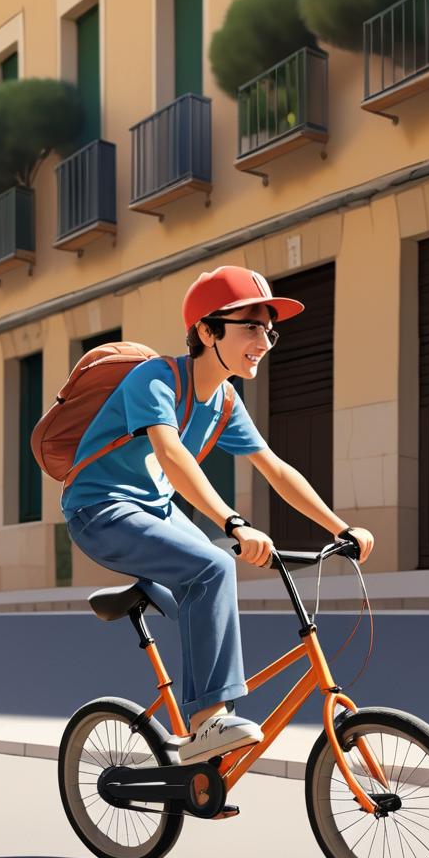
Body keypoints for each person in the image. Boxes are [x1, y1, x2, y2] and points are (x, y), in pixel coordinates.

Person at [62, 266, 374, 763]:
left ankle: (201, 753)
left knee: (206, 584)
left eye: (270, 329)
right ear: (207, 331)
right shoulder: (157, 378)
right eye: (250, 326)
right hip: (99, 508)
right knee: (213, 566)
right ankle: (208, 725)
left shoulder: (224, 399)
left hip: (155, 510)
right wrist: (232, 521)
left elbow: (274, 467)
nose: (265, 340)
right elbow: (171, 455)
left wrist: (339, 527)